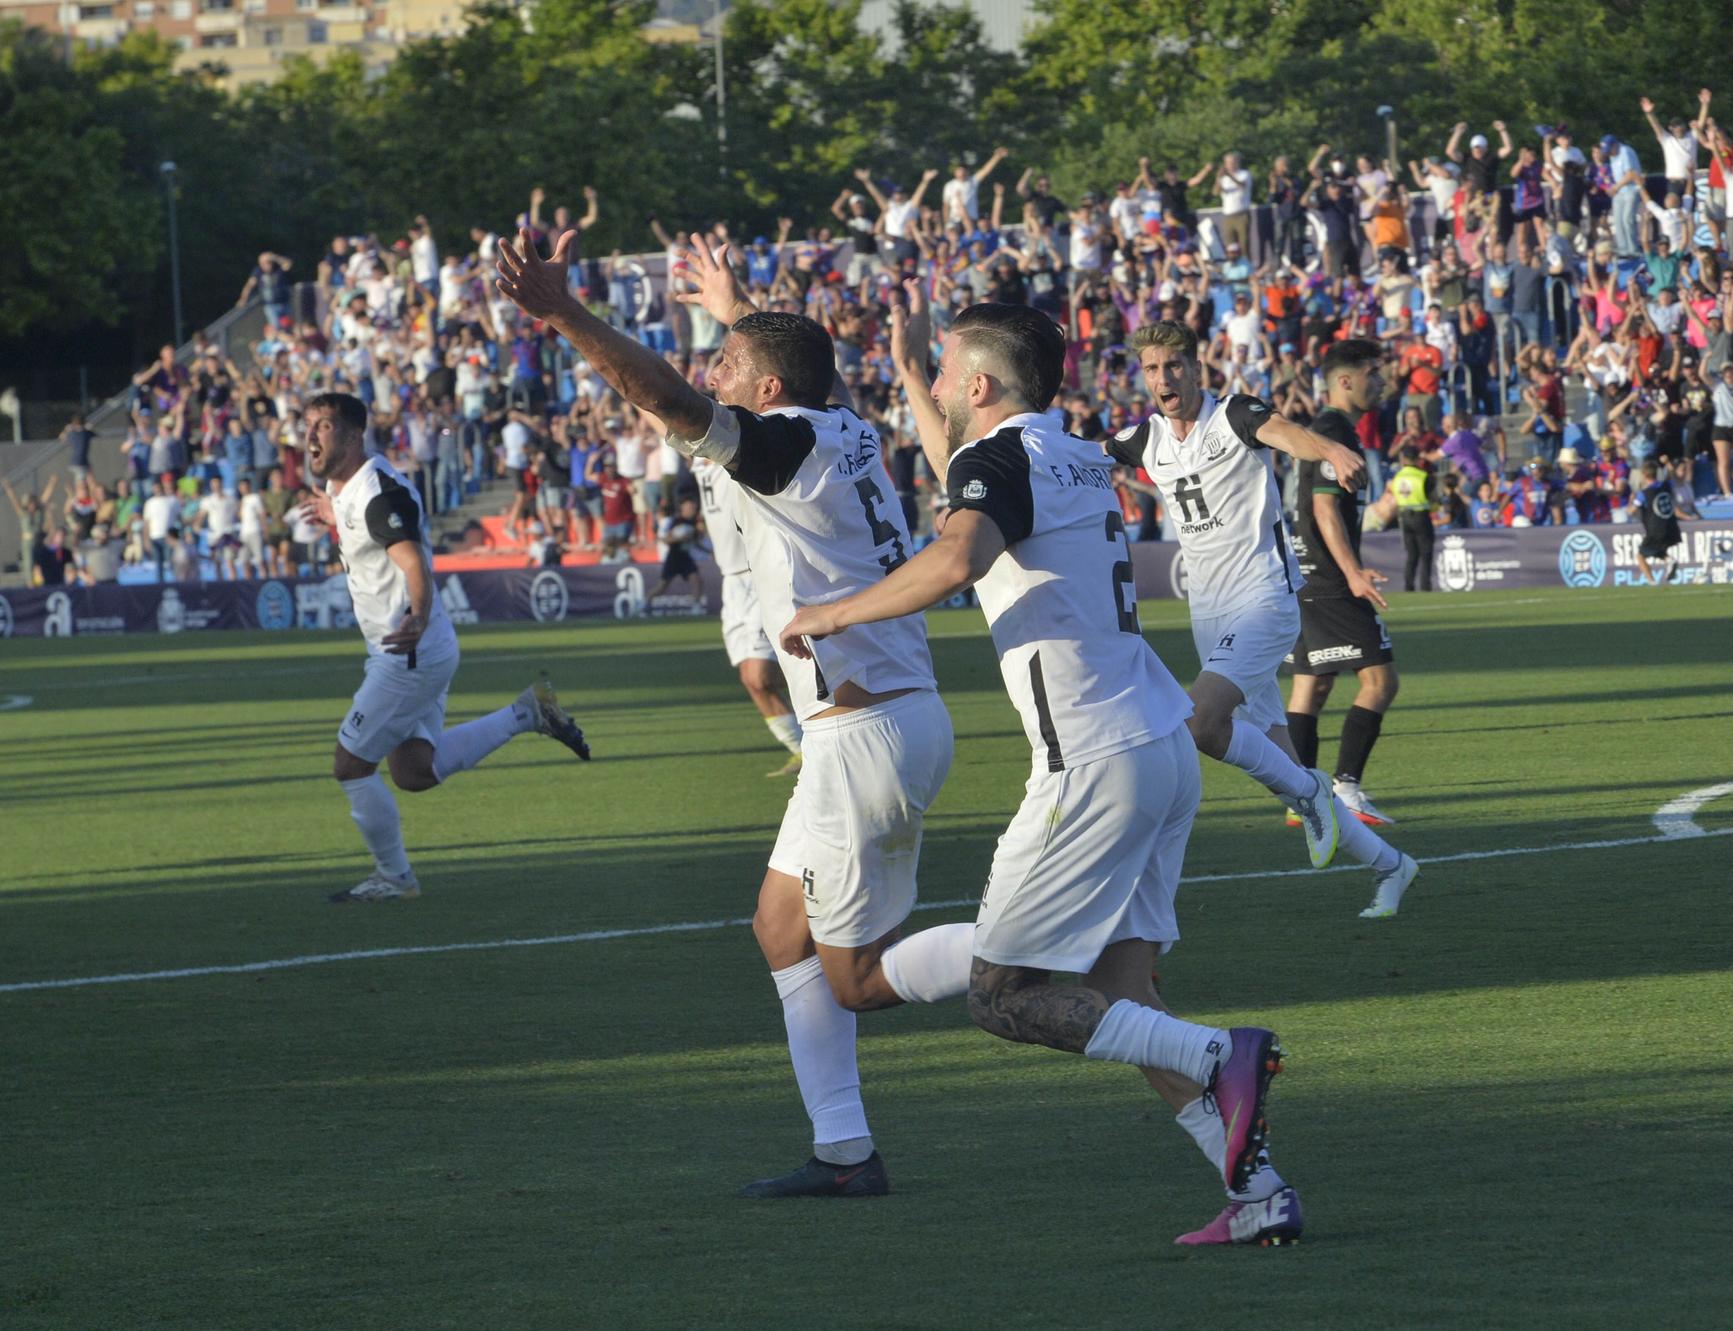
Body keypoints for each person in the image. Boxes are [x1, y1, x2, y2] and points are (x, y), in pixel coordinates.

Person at [780, 297, 1299, 1248]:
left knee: (1004, 994)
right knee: (1124, 990)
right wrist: (905, 373)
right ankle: (1259, 1190)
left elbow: (957, 552)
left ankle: (1224, 1053)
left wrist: (834, 614)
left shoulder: (999, 464)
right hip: (1160, 744)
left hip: (1091, 763)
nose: (934, 387)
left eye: (942, 372)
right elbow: (973, 482)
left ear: (979, 386)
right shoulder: (1072, 454)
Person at [500, 227, 978, 1201]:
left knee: (854, 976)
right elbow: (777, 372)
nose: (712, 375)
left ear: (761, 390)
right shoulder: (826, 426)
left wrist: (563, 313)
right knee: (776, 926)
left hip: (865, 734)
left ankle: (1055, 941)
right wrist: (734, 317)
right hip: (868, 723)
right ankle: (844, 1151)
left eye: (727, 363)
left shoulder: (787, 440)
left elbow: (671, 399)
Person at [1109, 320, 1413, 893]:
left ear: (1197, 368)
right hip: (1211, 616)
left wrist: (1328, 448)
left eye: (1174, 365)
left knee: (1199, 722)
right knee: (1282, 766)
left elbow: (1285, 433)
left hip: (1264, 600)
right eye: (1152, 368)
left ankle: (1313, 794)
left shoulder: (1234, 415)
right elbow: (1092, 457)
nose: (1163, 377)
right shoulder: (1146, 439)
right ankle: (1389, 865)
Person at [297, 392, 591, 903]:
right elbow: (360, 525)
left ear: (351, 435)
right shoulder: (344, 490)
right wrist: (332, 512)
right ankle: (526, 714)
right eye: (308, 426)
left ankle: (395, 878)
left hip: (407, 652)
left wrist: (415, 615)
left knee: (349, 766)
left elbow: (414, 565)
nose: (310, 437)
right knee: (413, 772)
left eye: (322, 426)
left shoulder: (379, 494)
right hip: (413, 649)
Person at [1285, 340, 1416, 855]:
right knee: (1381, 681)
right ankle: (1346, 788)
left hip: (1304, 573)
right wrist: (1352, 572)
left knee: (1310, 689)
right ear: (1345, 381)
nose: (1381, 383)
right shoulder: (1333, 431)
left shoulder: (1330, 430)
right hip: (1329, 579)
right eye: (1372, 375)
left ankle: (1302, 799)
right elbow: (1323, 508)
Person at [692, 451, 805, 778]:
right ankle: (802, 751)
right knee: (751, 680)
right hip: (732, 580)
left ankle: (829, 714)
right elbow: (658, 411)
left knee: (759, 675)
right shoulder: (694, 447)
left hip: (759, 572)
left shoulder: (733, 443)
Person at [1633, 458, 1694, 585]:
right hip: (1671, 526)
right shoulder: (1666, 485)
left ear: (1644, 475)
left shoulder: (1644, 493)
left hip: (1655, 529)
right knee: (1658, 551)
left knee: (1640, 556)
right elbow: (1673, 477)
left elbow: (1632, 510)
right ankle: (1669, 560)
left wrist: (1630, 501)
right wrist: (1668, 463)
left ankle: (1651, 582)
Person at [1389, 444, 1437, 591]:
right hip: (1421, 516)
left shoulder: (1396, 477)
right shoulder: (1423, 476)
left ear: (1403, 459)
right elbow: (1433, 499)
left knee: (1411, 554)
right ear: (1417, 459)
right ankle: (1425, 585)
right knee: (1426, 552)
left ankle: (1408, 586)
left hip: (1404, 517)